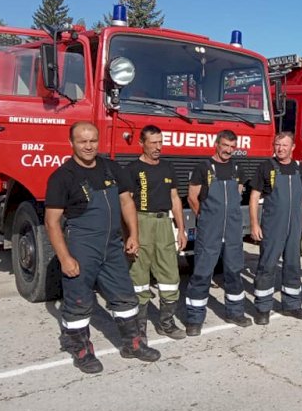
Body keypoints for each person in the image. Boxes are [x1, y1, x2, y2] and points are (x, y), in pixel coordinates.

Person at [44, 122, 161, 374]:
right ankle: (80, 349)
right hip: (82, 246)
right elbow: (52, 222)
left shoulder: (111, 167)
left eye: (93, 141)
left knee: (125, 296)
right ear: (71, 143)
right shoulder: (63, 177)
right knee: (78, 301)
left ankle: (133, 343)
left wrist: (133, 235)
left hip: (112, 245)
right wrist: (64, 258)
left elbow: (127, 202)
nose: (89, 146)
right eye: (82, 141)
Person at [126, 125, 187, 342]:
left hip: (163, 223)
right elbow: (126, 203)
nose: (158, 147)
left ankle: (166, 324)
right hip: (141, 221)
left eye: (160, 142)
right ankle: (139, 328)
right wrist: (131, 234)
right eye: (153, 143)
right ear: (141, 143)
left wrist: (181, 229)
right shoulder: (132, 169)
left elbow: (175, 199)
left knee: (170, 275)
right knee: (139, 277)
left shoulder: (168, 167)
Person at [185, 130, 250, 335]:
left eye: (232, 147)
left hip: (232, 229)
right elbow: (192, 197)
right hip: (209, 229)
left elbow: (238, 192)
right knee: (202, 273)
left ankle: (235, 312)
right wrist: (204, 217)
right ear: (217, 144)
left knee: (234, 271)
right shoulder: (203, 168)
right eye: (225, 145)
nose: (228, 150)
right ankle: (195, 319)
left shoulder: (237, 168)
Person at [249, 132, 302, 325]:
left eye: (284, 145)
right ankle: (263, 308)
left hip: (295, 227)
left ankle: (292, 305)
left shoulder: (299, 169)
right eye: (277, 145)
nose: (280, 148)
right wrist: (254, 223)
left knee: (293, 266)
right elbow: (254, 197)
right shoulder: (266, 167)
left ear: (293, 147)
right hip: (273, 226)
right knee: (267, 266)